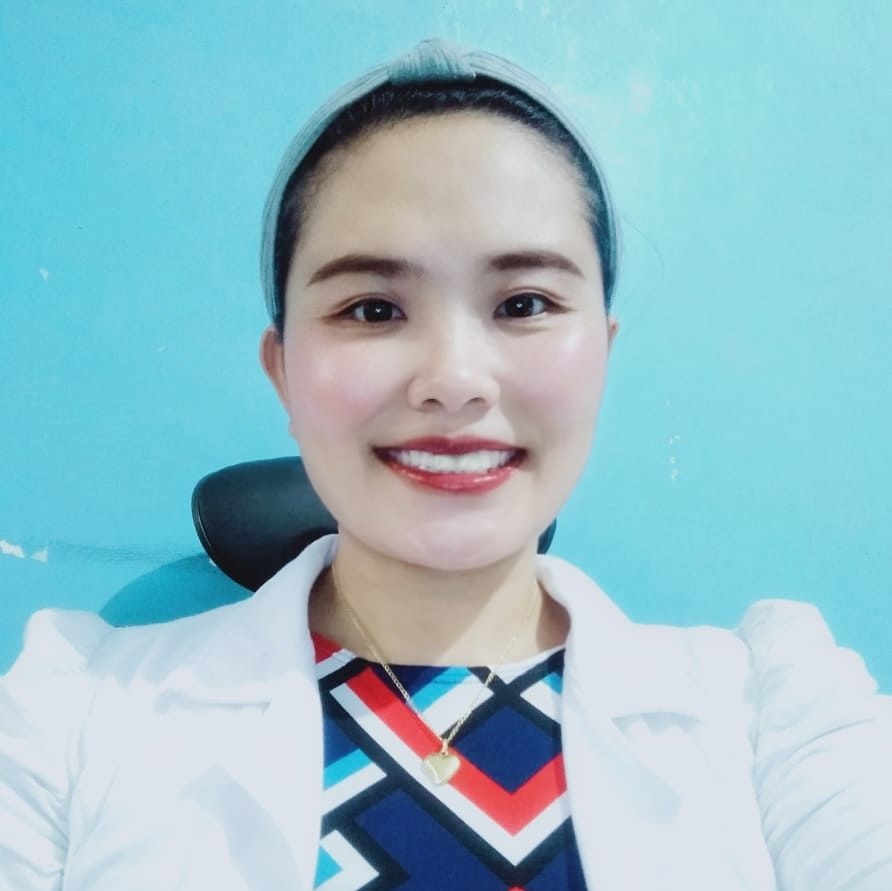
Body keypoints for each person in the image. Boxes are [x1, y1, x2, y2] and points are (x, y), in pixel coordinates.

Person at [1, 38, 890, 891]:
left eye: (525, 303)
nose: (455, 380)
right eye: (372, 309)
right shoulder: (71, 717)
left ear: (603, 353)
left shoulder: (771, 716)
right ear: (283, 370)